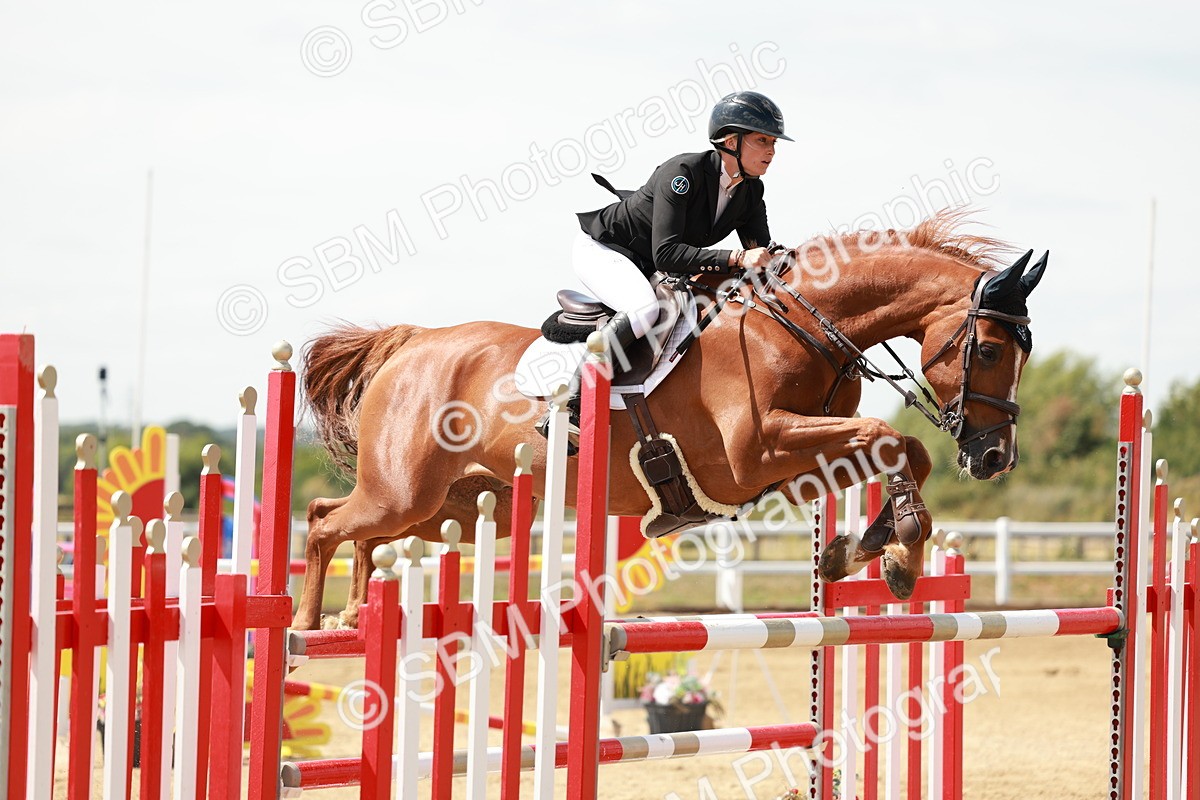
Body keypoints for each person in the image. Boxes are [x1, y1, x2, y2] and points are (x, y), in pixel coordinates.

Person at [537, 90, 791, 445]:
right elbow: (668, 254)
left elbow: (757, 253)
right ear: (731, 141)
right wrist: (734, 258)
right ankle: (568, 406)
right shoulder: (683, 173)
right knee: (643, 309)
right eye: (762, 140)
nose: (771, 151)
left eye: (774, 143)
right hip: (607, 248)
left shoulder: (751, 192)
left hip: (650, 261)